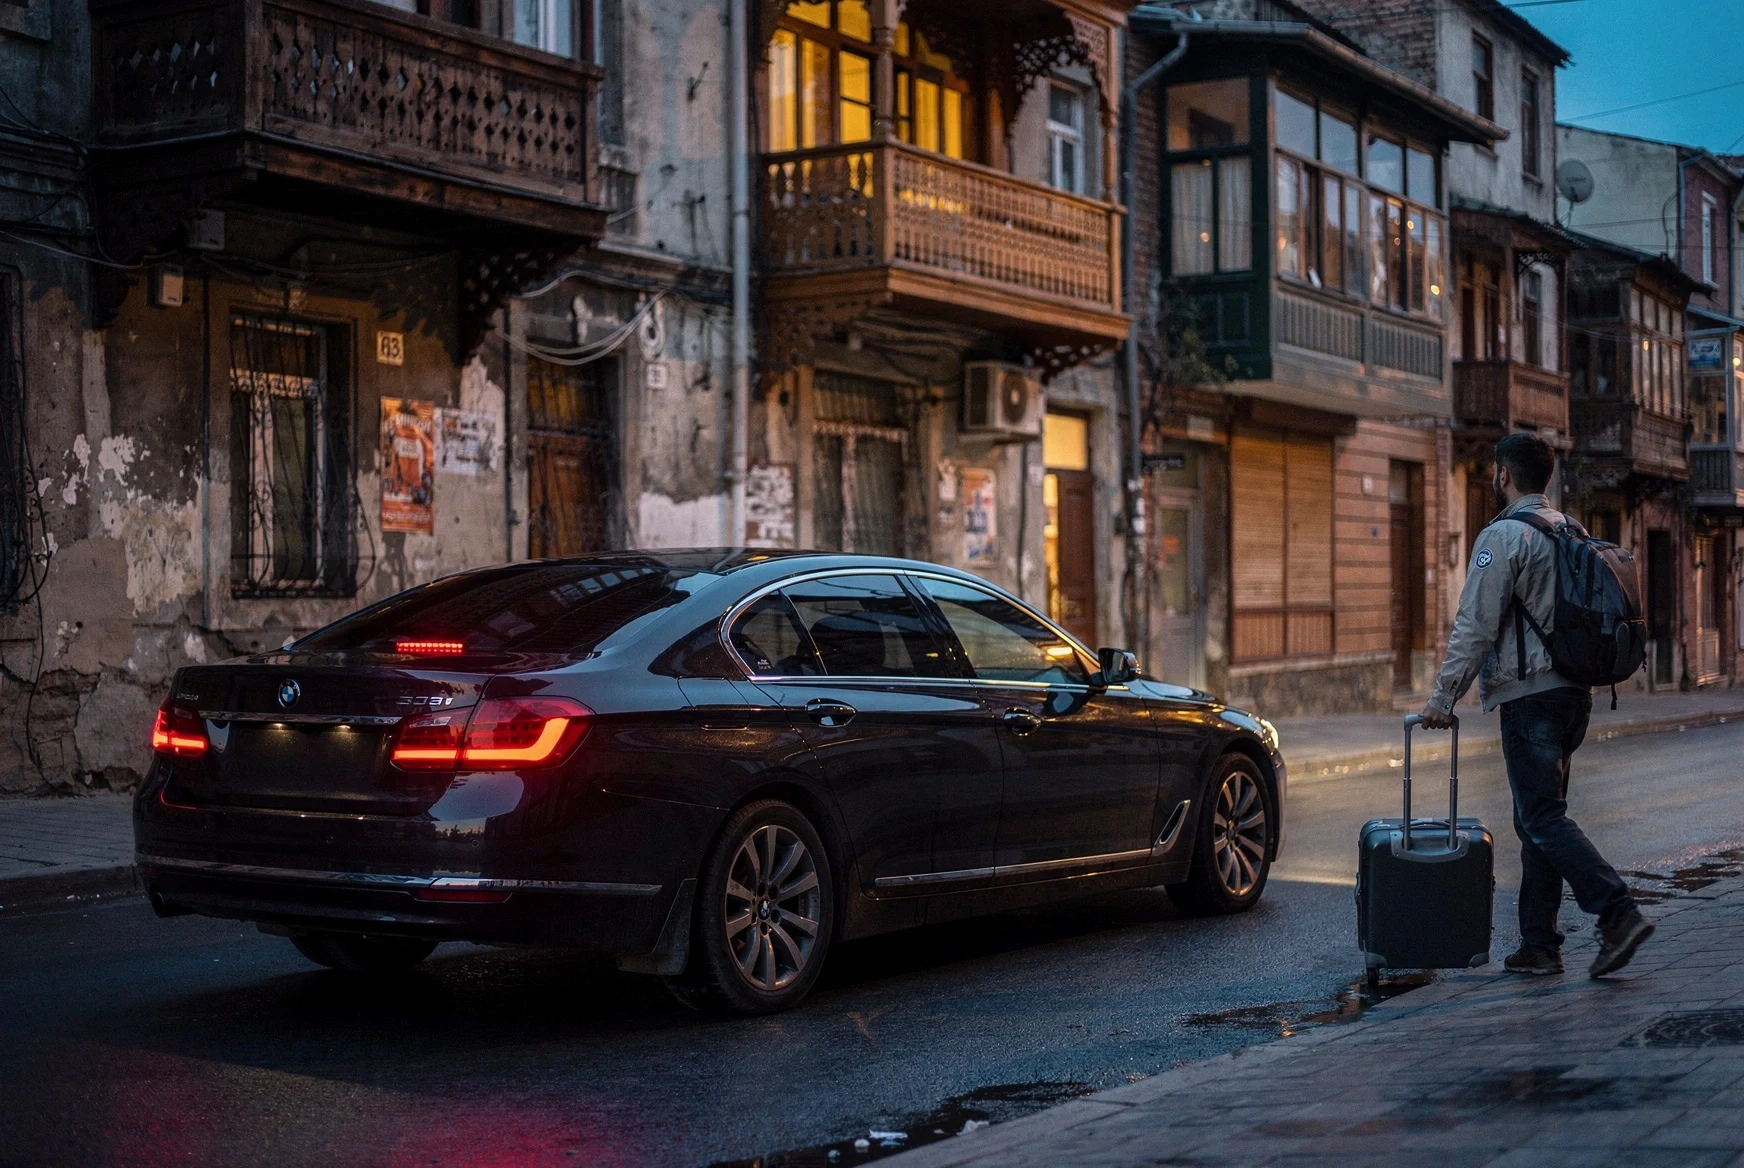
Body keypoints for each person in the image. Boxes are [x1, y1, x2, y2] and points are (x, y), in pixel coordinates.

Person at [1419, 432, 1652, 979]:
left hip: (1531, 699)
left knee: (1541, 817)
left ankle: (1617, 913)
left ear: (1504, 474)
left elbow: (1475, 625)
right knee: (1539, 820)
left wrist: (1442, 698)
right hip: (1575, 693)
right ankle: (1540, 946)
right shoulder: (1569, 529)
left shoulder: (1503, 537)